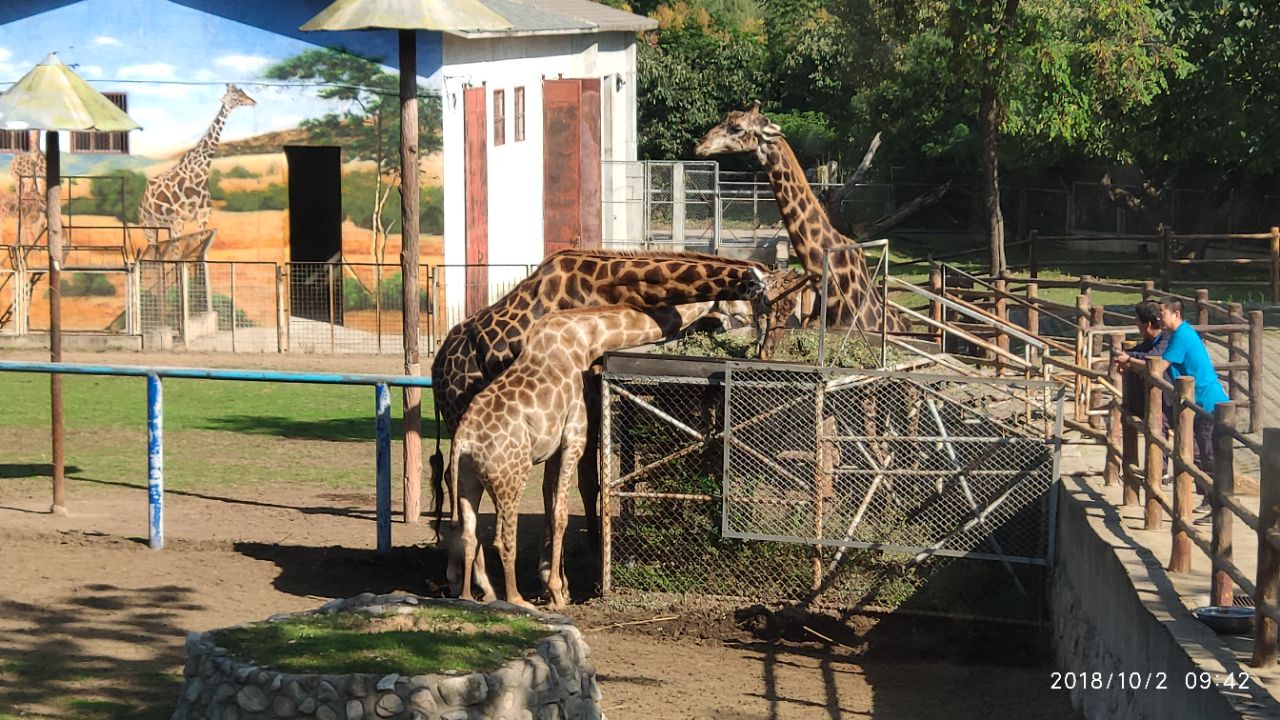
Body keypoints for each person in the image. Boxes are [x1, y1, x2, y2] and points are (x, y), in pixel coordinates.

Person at [1158, 297, 1229, 514]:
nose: (1159, 318)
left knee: (1207, 453)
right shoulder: (1179, 334)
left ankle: (1218, 503)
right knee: (1199, 452)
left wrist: (1131, 363)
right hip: (1199, 401)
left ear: (1176, 314)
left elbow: (1159, 366)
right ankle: (1210, 497)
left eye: (1163, 314)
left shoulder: (1181, 336)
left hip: (1206, 401)